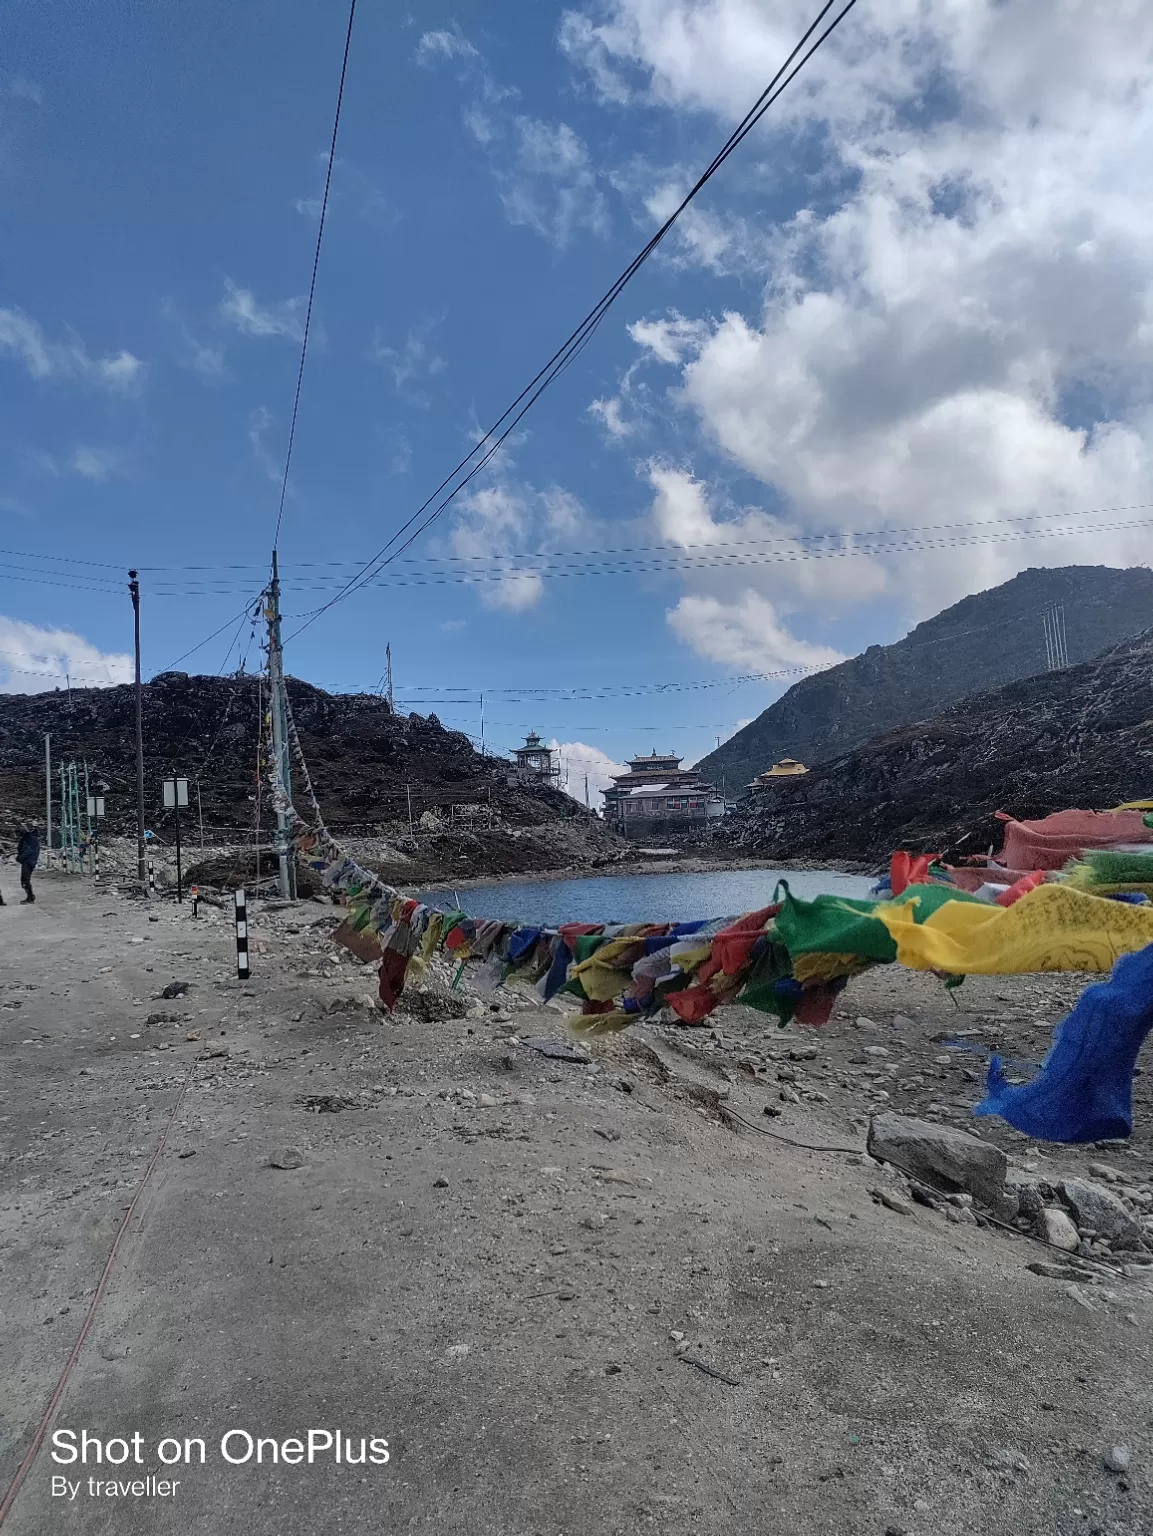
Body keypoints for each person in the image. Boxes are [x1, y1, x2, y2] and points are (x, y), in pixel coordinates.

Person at [17, 825, 40, 904]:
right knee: (24, 880)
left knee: (25, 880)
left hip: (29, 861)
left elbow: (29, 851)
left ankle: (30, 897)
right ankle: (30, 896)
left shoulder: (31, 838)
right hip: (27, 861)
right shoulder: (27, 838)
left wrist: (21, 857)